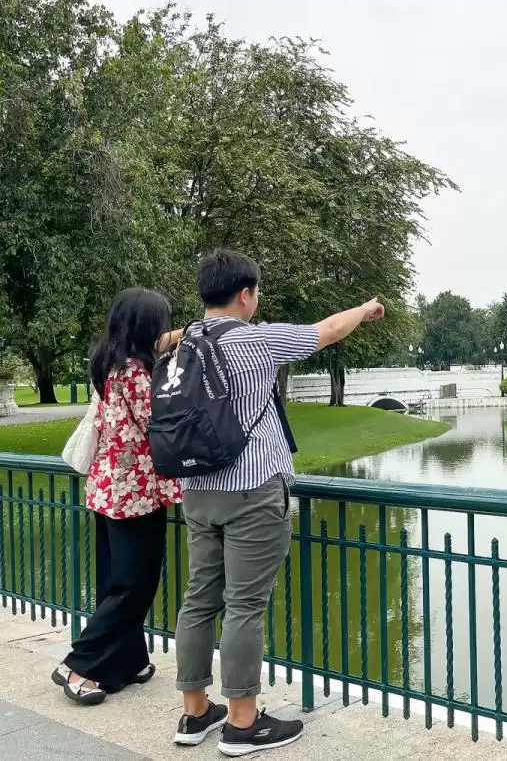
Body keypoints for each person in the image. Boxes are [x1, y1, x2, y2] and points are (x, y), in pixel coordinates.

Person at [172, 249, 384, 756]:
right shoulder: (256, 339)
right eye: (256, 293)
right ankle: (243, 725)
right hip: (251, 491)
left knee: (199, 598)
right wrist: (367, 308)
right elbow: (327, 330)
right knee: (244, 605)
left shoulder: (182, 343)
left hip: (196, 489)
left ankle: (195, 713)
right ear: (245, 294)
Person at [51, 288, 183, 704]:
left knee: (117, 581)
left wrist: (188, 334)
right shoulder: (136, 372)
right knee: (135, 584)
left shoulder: (108, 362)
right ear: (147, 326)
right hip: (135, 494)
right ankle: (80, 664)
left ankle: (129, 660)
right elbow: (159, 423)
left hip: (109, 489)